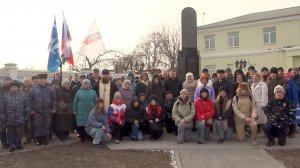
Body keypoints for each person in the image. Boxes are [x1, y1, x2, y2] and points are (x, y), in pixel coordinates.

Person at [1, 81, 30, 152]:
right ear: (10, 88)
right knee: (10, 133)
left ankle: (18, 144)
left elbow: (27, 107)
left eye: (15, 87)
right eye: (12, 87)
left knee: (19, 133)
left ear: (18, 88)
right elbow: (2, 108)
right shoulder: (5, 96)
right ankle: (12, 145)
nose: (13, 88)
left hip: (20, 119)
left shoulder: (23, 95)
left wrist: (25, 117)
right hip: (9, 119)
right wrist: (3, 117)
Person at [29, 74, 56, 146]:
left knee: (46, 125)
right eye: (40, 79)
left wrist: (53, 108)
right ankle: (38, 139)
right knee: (38, 125)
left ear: (45, 80)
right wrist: (31, 109)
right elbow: (30, 100)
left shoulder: (50, 88)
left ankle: (45, 138)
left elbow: (54, 99)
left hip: (47, 111)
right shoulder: (33, 89)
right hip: (37, 111)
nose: (41, 80)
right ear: (38, 80)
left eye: (43, 79)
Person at [251, 72, 268, 137]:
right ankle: (257, 131)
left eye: (256, 76)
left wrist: (263, 104)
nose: (255, 77)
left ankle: (262, 132)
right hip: (254, 104)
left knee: (262, 119)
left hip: (260, 104)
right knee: (256, 118)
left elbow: (265, 95)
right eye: (254, 76)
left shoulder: (263, 84)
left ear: (259, 77)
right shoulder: (252, 84)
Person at [283, 72, 298, 138]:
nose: (286, 78)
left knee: (292, 118)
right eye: (285, 77)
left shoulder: (293, 84)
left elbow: (295, 95)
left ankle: (292, 133)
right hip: (287, 104)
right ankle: (289, 132)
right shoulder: (286, 84)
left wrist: (294, 105)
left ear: (290, 77)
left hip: (292, 104)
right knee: (288, 118)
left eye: (287, 77)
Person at [21, 77, 34, 144]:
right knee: (25, 125)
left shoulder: (34, 89)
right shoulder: (20, 90)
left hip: (32, 110)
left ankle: (33, 137)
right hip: (23, 110)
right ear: (23, 82)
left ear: (30, 82)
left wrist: (33, 109)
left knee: (32, 125)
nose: (27, 82)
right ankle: (27, 138)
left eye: (28, 81)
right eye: (25, 81)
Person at [0, 77, 12, 148]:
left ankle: (9, 141)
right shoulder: (1, 89)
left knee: (10, 128)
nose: (8, 82)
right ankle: (4, 142)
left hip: (11, 112)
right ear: (4, 82)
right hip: (3, 112)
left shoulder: (13, 88)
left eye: (10, 81)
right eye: (7, 81)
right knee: (3, 128)